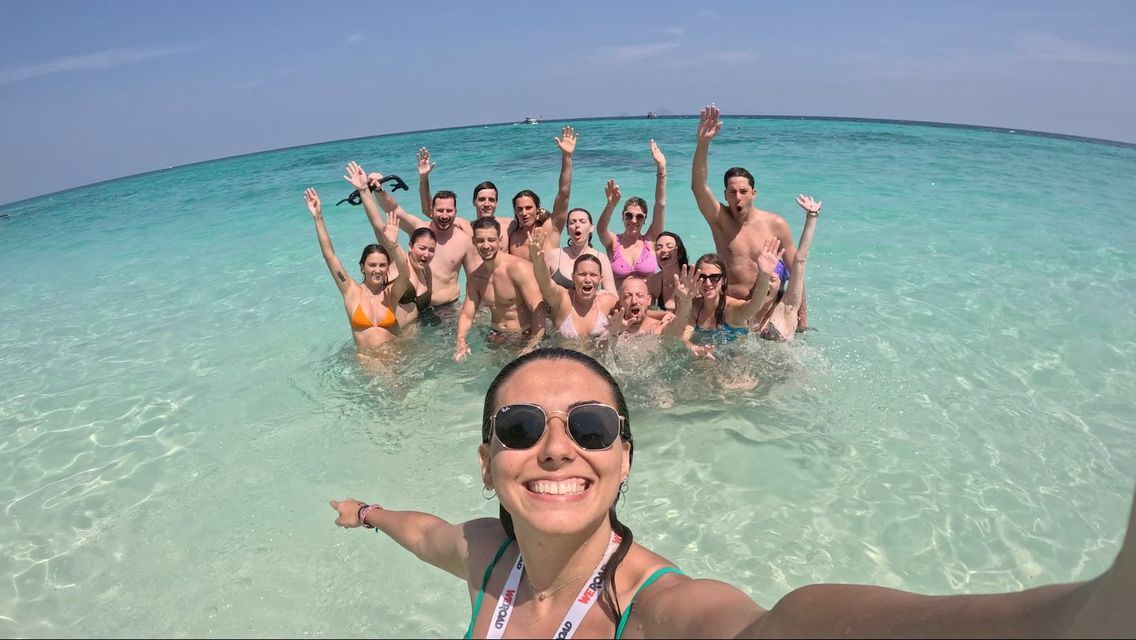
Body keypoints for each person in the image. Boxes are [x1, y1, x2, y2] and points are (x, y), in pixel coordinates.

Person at [330, 348, 1136, 638]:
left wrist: (1078, 622)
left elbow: (778, 629)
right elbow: (421, 529)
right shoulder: (486, 559)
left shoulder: (656, 611)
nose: (554, 447)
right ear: (486, 462)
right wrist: (366, 514)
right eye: (517, 428)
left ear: (626, 458)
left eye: (590, 426)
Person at [691, 104, 809, 331]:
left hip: (766, 311)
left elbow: (797, 273)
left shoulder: (776, 224)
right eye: (732, 192)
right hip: (731, 310)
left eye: (743, 192)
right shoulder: (719, 220)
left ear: (753, 194)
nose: (738, 197)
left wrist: (801, 317)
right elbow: (698, 186)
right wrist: (703, 144)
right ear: (725, 194)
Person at [303, 179, 410, 354]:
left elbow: (405, 274)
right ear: (362, 267)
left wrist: (393, 245)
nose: (378, 269)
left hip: (397, 359)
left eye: (382, 265)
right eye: (372, 265)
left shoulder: (391, 294)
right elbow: (330, 256)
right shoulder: (351, 291)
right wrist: (318, 217)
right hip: (368, 363)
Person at [367, 168, 475, 309]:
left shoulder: (464, 240)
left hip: (449, 307)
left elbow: (474, 279)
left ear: (456, 212)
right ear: (432, 211)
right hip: (417, 306)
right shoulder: (419, 229)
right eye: (440, 210)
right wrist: (378, 190)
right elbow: (394, 210)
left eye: (449, 210)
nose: (444, 215)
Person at [454, 217, 547, 361]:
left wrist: (532, 344)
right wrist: (460, 342)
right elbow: (467, 314)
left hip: (525, 335)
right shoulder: (475, 277)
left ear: (500, 240)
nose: (486, 246)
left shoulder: (518, 268)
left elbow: (538, 308)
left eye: (491, 240)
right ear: (473, 242)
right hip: (497, 336)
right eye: (480, 241)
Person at [676, 243, 784, 359]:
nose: (708, 283)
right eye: (702, 277)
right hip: (708, 359)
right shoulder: (694, 306)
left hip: (737, 363)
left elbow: (754, 306)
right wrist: (693, 348)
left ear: (723, 280)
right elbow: (683, 336)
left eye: (714, 277)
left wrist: (764, 276)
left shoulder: (731, 309)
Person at [597, 141, 668, 289]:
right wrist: (610, 205)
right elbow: (601, 230)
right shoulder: (613, 242)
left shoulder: (651, 241)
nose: (633, 220)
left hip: (647, 307)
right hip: (620, 305)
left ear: (645, 220)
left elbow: (660, 205)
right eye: (629, 216)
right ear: (622, 217)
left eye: (639, 217)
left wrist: (661, 169)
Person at [528, 228, 619, 342]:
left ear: (600, 279)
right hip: (564, 357)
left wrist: (618, 329)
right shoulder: (563, 300)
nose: (588, 279)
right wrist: (538, 260)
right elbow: (545, 283)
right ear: (573, 277)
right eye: (582, 274)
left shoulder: (608, 301)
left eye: (593, 275)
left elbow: (635, 313)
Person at [417, 147, 514, 249]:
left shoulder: (508, 225)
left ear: (496, 203)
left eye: (491, 200)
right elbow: (429, 211)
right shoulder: (466, 227)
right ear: (474, 202)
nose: (486, 204)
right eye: (481, 199)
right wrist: (424, 178)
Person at [753, 195, 821, 342]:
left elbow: (800, 260)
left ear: (781, 283)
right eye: (764, 277)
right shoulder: (749, 311)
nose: (768, 283)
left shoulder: (786, 308)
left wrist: (812, 216)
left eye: (773, 278)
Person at [505, 126, 576, 259]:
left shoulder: (550, 227)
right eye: (519, 209)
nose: (524, 213)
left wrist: (567, 157)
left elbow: (564, 193)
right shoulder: (513, 237)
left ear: (538, 210)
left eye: (528, 208)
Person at [541, 207, 616, 293]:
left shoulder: (601, 258)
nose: (577, 225)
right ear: (568, 230)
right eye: (572, 222)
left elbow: (612, 294)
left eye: (582, 221)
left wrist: (604, 294)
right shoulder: (554, 255)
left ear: (591, 228)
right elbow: (539, 290)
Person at [607, 277, 686, 338]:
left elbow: (678, 327)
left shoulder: (659, 328)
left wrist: (686, 302)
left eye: (640, 295)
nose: (634, 301)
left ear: (649, 300)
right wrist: (613, 335)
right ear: (621, 302)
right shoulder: (613, 327)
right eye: (628, 296)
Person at [644, 231, 688, 312]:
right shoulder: (653, 281)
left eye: (669, 246)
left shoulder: (692, 279)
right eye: (658, 248)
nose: (664, 250)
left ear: (680, 253)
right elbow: (646, 313)